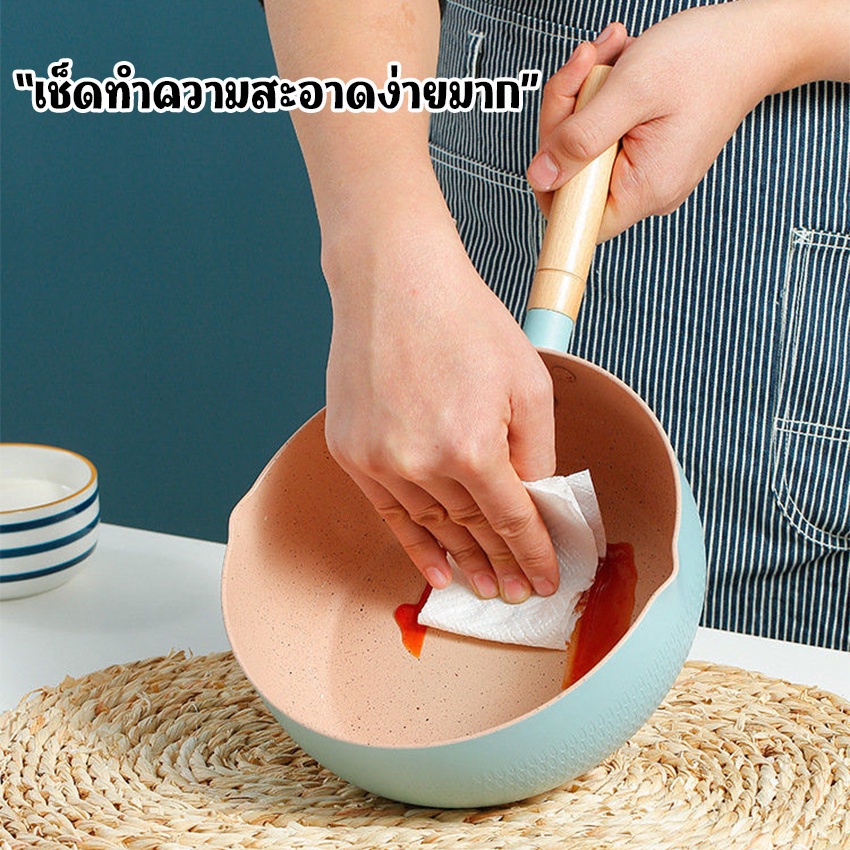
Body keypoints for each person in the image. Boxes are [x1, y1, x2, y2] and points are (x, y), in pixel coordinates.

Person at [263, 0, 850, 649]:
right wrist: (385, 253)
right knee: (449, 509)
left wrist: (775, 39)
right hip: (466, 215)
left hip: (794, 258)